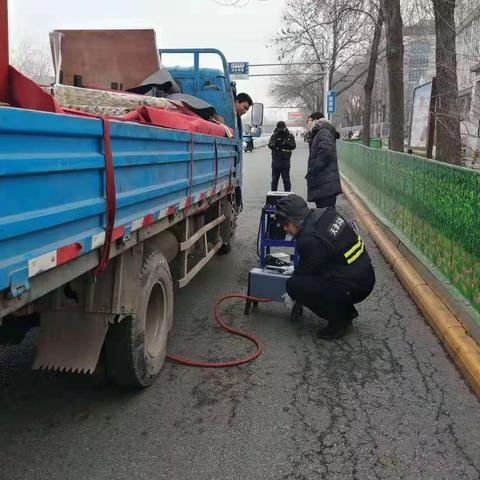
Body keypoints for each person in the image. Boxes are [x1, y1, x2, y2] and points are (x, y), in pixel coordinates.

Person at [276, 194, 375, 339]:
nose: (285, 229)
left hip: (355, 285)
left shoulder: (308, 239)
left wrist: (291, 293)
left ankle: (340, 320)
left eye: (286, 223)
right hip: (364, 275)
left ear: (296, 219)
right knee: (315, 277)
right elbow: (319, 259)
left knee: (294, 285)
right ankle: (346, 310)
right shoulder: (325, 213)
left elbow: (304, 274)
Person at [305, 112, 342, 208]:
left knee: (326, 216)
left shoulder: (323, 132)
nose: (307, 124)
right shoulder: (319, 132)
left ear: (316, 120)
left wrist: (314, 169)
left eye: (308, 121)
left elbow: (326, 151)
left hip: (326, 184)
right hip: (324, 184)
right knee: (323, 215)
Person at [268, 121, 296, 192]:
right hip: (276, 161)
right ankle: (273, 196)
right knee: (274, 180)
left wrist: (286, 143)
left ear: (285, 127)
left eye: (282, 128)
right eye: (279, 129)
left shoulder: (290, 136)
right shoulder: (274, 136)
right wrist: (275, 145)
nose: (280, 130)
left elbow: (293, 146)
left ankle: (287, 196)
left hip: (285, 161)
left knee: (286, 180)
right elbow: (270, 145)